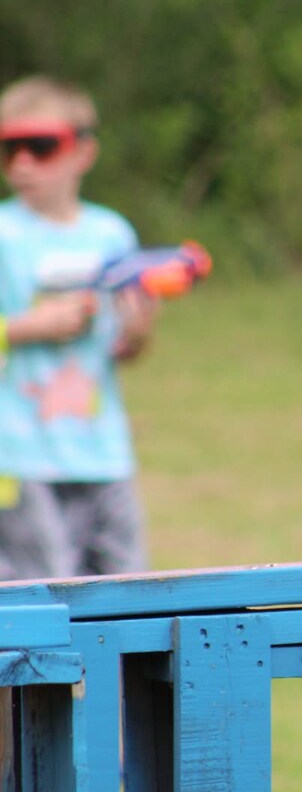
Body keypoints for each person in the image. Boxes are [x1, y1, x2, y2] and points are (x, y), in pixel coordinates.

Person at [0, 75, 158, 581]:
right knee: (42, 601)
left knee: (129, 598)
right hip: (18, 459)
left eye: (41, 146)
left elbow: (123, 350)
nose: (21, 162)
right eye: (9, 148)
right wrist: (31, 326)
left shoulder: (111, 233)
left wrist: (136, 332)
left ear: (83, 152)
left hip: (102, 450)